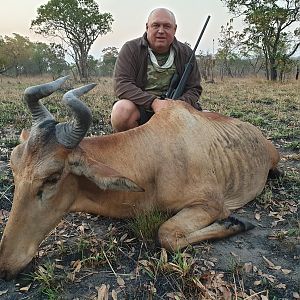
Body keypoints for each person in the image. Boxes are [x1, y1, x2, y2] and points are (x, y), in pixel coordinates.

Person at [111, 7, 202, 132]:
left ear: (175, 29)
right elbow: (121, 84)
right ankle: (136, 147)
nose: (161, 31)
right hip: (142, 108)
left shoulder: (187, 53)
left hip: (177, 110)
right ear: (147, 27)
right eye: (156, 25)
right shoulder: (130, 49)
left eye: (167, 26)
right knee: (121, 111)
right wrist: (154, 103)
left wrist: (177, 105)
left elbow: (194, 88)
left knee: (210, 122)